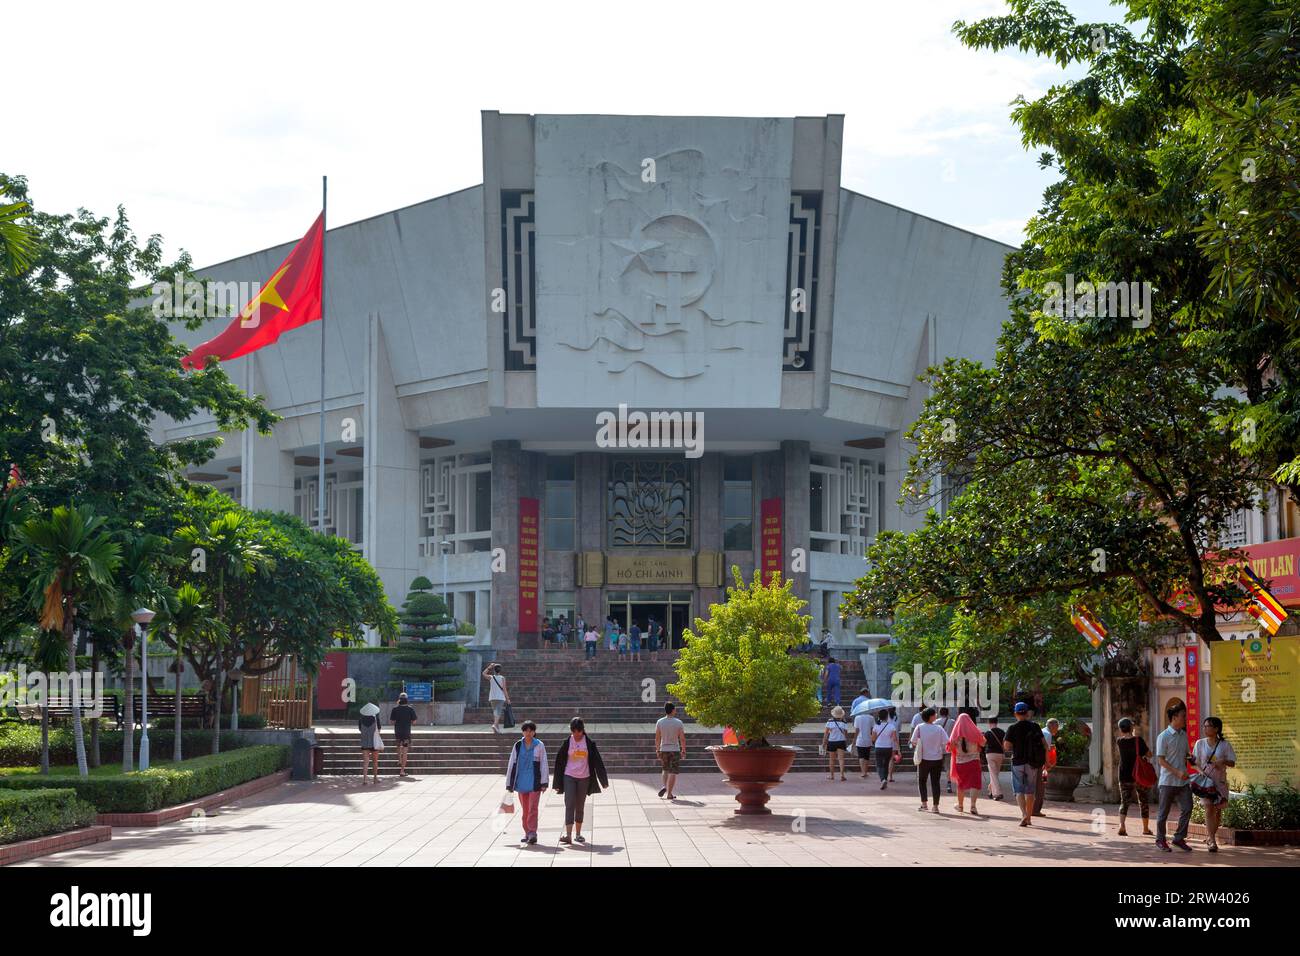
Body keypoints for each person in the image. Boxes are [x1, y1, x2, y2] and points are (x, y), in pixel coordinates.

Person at [552, 717, 609, 845]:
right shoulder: (567, 742)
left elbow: (597, 762)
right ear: (571, 730)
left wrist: (603, 780)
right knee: (569, 802)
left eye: (579, 731)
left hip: (584, 777)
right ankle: (568, 835)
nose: (577, 734)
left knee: (580, 805)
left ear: (583, 730)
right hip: (569, 776)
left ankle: (578, 834)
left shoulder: (589, 743)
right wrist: (556, 783)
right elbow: (559, 763)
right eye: (574, 731)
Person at [1193, 716, 1236, 852]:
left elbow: (1233, 762)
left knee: (1217, 811)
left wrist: (1222, 761)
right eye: (1204, 726)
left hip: (1220, 782)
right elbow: (1195, 763)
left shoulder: (1225, 745)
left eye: (1208, 726)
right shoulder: (1200, 743)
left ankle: (1211, 835)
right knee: (1208, 808)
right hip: (1206, 782)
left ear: (1216, 729)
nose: (1205, 728)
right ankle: (1212, 840)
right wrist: (1201, 772)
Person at [1155, 701, 1194, 852]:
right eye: (1183, 716)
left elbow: (1186, 755)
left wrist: (1193, 760)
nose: (1185, 718)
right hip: (1168, 781)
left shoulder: (1183, 735)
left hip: (1183, 782)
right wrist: (1177, 772)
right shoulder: (1163, 737)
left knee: (1188, 808)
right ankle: (1160, 839)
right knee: (1163, 812)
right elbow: (1160, 760)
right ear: (1175, 717)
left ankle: (1178, 838)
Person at [1002, 701, 1047, 827]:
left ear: (1015, 713)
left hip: (1017, 762)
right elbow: (1045, 745)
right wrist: (1046, 761)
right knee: (1030, 791)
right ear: (1027, 713)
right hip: (1032, 763)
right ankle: (1029, 817)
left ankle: (1023, 815)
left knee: (1018, 790)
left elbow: (1006, 746)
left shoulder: (1012, 728)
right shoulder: (1035, 726)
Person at [505, 719, 549, 844]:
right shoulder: (518, 745)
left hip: (535, 782)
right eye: (526, 731)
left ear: (534, 732)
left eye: (531, 731)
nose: (528, 733)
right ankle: (526, 832)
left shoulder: (539, 745)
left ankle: (532, 832)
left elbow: (544, 764)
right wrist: (509, 783)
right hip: (521, 782)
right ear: (522, 732)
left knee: (533, 809)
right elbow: (511, 764)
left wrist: (544, 782)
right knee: (525, 810)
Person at [1116, 717, 1153, 837]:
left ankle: (1122, 825)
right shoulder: (1138, 740)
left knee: (1124, 801)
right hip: (1138, 776)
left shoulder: (1119, 741)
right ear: (1131, 727)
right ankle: (1146, 828)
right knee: (1143, 801)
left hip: (1124, 775)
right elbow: (1149, 754)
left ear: (1121, 729)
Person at [910, 707, 948, 813]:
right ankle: (935, 806)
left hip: (924, 759)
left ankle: (924, 803)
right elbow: (946, 741)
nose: (936, 715)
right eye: (934, 714)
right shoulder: (939, 728)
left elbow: (913, 741)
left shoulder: (919, 727)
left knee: (922, 781)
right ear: (931, 716)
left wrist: (920, 743)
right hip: (937, 759)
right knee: (935, 782)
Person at [947, 711, 985, 815]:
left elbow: (950, 748)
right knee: (974, 784)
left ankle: (960, 806)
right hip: (974, 761)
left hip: (960, 762)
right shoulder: (975, 732)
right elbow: (983, 742)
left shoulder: (955, 735)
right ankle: (973, 806)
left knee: (961, 785)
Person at [655, 702, 686, 800]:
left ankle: (664, 785)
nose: (675, 711)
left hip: (663, 749)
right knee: (673, 772)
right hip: (675, 749)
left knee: (665, 769)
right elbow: (682, 738)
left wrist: (657, 750)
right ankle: (669, 794)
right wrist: (683, 749)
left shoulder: (660, 722)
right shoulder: (678, 722)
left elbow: (657, 738)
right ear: (672, 710)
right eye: (675, 709)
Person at [869, 707, 899, 790]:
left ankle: (883, 779)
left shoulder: (876, 726)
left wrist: (871, 735)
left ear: (879, 716)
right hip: (888, 747)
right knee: (886, 765)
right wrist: (898, 749)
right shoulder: (891, 726)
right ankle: (885, 779)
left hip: (879, 747)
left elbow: (873, 739)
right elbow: (894, 739)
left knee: (879, 765)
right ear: (887, 716)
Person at [389, 692, 418, 777]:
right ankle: (402, 771)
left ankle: (399, 759)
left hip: (397, 732)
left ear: (399, 699)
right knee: (405, 751)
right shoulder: (410, 709)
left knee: (398, 746)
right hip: (406, 732)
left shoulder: (395, 709)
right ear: (407, 700)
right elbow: (414, 721)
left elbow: (392, 722)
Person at [823, 705, 851, 780]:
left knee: (832, 759)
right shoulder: (844, 722)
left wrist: (824, 743)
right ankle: (842, 775)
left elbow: (826, 733)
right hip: (841, 741)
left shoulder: (830, 721)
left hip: (832, 741)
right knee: (841, 759)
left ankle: (832, 776)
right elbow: (846, 733)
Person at [358, 701, 383, 784]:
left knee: (366, 761)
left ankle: (364, 780)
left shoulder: (361, 720)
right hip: (374, 743)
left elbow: (360, 730)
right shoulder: (376, 719)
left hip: (365, 743)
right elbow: (379, 730)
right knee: (375, 761)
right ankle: (375, 779)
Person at [482, 662, 511, 733]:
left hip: (492, 697)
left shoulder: (491, 677)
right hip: (500, 697)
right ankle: (495, 725)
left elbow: (483, 674)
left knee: (496, 712)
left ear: (494, 670)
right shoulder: (502, 678)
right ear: (500, 670)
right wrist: (508, 699)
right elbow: (504, 689)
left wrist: (489, 667)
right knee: (498, 712)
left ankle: (497, 729)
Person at [983, 716, 1006, 801]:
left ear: (989, 723)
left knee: (993, 774)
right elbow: (1004, 744)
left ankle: (997, 793)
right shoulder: (1002, 732)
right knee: (995, 774)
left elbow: (982, 743)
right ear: (997, 722)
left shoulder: (987, 733)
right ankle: (991, 790)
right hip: (1000, 754)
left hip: (990, 754)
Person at [852, 706, 876, 779]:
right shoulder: (871, 718)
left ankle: (863, 772)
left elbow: (857, 730)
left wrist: (854, 740)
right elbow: (873, 729)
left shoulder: (857, 718)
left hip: (860, 739)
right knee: (866, 756)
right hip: (868, 739)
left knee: (861, 756)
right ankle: (865, 771)